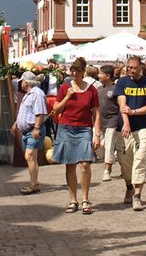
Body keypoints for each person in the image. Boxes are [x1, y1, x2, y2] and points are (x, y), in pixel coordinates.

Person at [51, 56, 101, 215]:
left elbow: (96, 114)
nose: (74, 73)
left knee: (85, 164)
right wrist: (67, 97)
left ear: (83, 72)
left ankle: (85, 199)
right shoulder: (65, 88)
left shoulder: (91, 90)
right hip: (66, 128)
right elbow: (56, 109)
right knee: (70, 164)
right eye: (72, 70)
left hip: (84, 129)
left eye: (77, 70)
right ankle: (73, 200)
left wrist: (97, 134)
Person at [114, 55, 146, 211]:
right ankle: (129, 186)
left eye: (134, 67)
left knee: (140, 159)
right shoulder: (122, 82)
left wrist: (134, 112)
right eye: (129, 67)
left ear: (141, 68)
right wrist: (126, 121)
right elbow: (122, 104)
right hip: (124, 127)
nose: (130, 70)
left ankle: (137, 196)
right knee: (125, 162)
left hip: (144, 126)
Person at [11, 71, 47, 195]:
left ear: (26, 82)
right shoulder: (28, 94)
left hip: (33, 130)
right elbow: (24, 112)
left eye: (21, 81)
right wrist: (16, 123)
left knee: (29, 155)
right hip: (27, 131)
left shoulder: (37, 94)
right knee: (32, 157)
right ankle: (34, 182)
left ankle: (33, 184)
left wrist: (36, 128)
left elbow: (40, 113)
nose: (20, 83)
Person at [97, 64, 120, 182]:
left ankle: (107, 170)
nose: (98, 75)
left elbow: (121, 105)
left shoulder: (116, 89)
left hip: (113, 120)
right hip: (100, 121)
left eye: (100, 73)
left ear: (108, 76)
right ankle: (112, 157)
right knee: (99, 145)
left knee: (109, 145)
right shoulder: (99, 89)